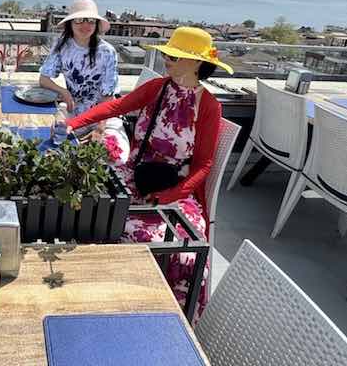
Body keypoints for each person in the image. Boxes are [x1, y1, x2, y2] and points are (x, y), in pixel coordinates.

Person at [67, 26, 234, 317]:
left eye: (175, 54)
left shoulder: (208, 106)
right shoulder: (158, 87)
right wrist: (73, 124)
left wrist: (169, 197)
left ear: (196, 63)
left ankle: (161, 310)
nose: (167, 57)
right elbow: (117, 106)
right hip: (137, 174)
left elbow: (203, 166)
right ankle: (103, 294)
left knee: (183, 252)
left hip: (175, 187)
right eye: (168, 52)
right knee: (98, 212)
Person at [38, 0, 129, 159]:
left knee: (114, 156)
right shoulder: (62, 46)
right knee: (56, 152)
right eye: (80, 20)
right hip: (74, 111)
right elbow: (44, 79)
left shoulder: (107, 52)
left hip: (103, 116)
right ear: (71, 23)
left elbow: (108, 96)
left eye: (91, 21)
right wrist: (63, 92)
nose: (86, 25)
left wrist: (100, 129)